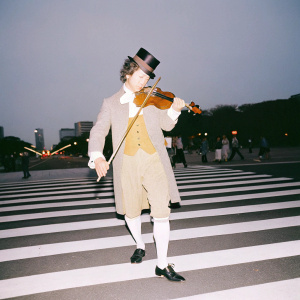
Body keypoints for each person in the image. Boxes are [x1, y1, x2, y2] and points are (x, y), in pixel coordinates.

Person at [88, 48, 186, 282]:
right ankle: (140, 244)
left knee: (162, 213)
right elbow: (99, 129)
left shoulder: (152, 98)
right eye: (140, 77)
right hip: (128, 164)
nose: (144, 83)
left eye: (147, 78)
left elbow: (166, 125)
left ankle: (162, 264)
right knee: (131, 213)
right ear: (127, 74)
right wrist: (97, 155)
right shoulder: (111, 103)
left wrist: (173, 110)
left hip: (154, 161)